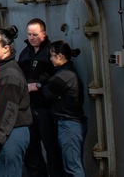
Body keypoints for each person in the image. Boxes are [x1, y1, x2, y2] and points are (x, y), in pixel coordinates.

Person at [19, 18, 63, 177]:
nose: (32, 38)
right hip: (29, 107)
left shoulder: (50, 53)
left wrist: (38, 85)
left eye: (35, 35)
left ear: (44, 34)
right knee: (32, 146)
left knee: (51, 146)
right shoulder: (25, 53)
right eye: (29, 34)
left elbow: (57, 78)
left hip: (46, 107)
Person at [0, 26, 32, 177]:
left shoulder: (9, 75)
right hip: (7, 133)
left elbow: (7, 112)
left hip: (10, 134)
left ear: (6, 49)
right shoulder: (1, 69)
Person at [44, 42, 87, 177]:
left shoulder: (65, 75)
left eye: (52, 56)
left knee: (73, 166)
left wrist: (41, 86)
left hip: (69, 125)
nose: (50, 59)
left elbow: (47, 92)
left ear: (60, 56)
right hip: (69, 124)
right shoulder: (65, 73)